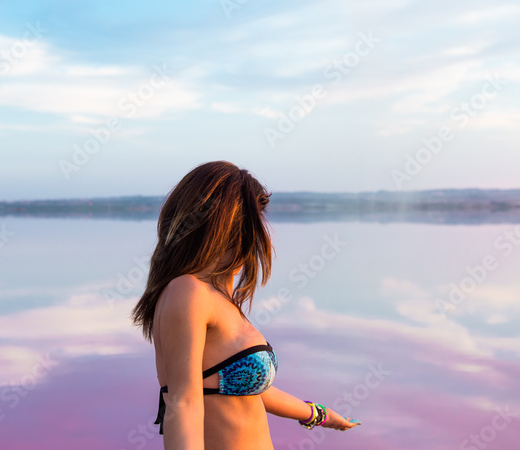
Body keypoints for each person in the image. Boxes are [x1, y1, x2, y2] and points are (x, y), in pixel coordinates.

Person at [131, 161, 361, 449]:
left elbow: (250, 390)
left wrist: (320, 415)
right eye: (254, 222)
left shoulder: (219, 298)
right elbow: (183, 403)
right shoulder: (188, 291)